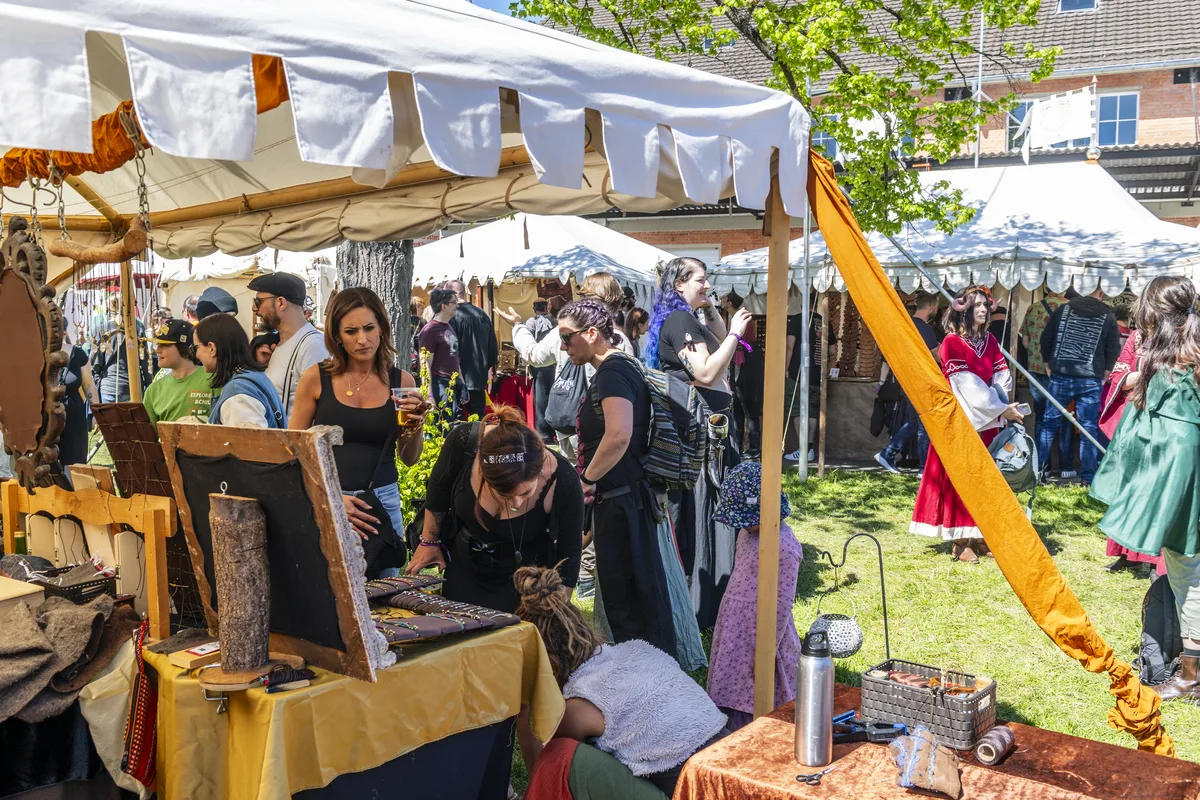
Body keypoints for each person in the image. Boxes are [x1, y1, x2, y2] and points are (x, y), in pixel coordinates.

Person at [516, 566, 727, 800]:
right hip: (732, 768)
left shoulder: (578, 707)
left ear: (550, 667)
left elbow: (544, 768)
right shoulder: (637, 649)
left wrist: (525, 708)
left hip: (697, 792)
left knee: (560, 755)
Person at [1091, 276, 1200, 703]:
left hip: (1179, 465)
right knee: (1185, 567)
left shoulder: (1173, 357)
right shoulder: (1185, 352)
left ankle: (1191, 675)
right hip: (1181, 459)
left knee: (1187, 570)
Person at [556, 297, 676, 654]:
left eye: (566, 337)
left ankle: (649, 674)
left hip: (624, 503)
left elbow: (619, 435)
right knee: (634, 599)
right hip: (623, 500)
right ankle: (647, 669)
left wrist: (586, 480)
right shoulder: (617, 368)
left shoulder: (613, 371)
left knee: (630, 604)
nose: (563, 347)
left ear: (592, 333)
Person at [290, 287, 426, 573]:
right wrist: (330, 498)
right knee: (327, 589)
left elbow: (409, 458)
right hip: (327, 497)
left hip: (381, 502)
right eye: (351, 331)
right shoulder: (316, 378)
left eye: (369, 328)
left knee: (384, 591)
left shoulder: (402, 382)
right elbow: (294, 453)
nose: (362, 340)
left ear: (382, 329)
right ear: (337, 336)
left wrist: (416, 424)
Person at [405, 406, 584, 612]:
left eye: (526, 492)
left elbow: (570, 555)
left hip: (528, 584)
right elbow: (438, 491)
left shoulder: (563, 479)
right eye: (504, 494)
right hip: (465, 568)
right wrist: (429, 541)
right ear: (482, 470)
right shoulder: (464, 443)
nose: (516, 503)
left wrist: (555, 610)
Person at [910, 286, 1024, 563]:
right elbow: (966, 385)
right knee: (963, 479)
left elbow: (1001, 374)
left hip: (989, 418)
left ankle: (982, 534)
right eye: (976, 306)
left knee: (987, 479)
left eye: (985, 305)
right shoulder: (951, 342)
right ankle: (961, 542)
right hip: (961, 420)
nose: (983, 310)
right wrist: (1000, 408)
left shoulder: (990, 340)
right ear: (963, 311)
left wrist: (1000, 403)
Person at [706, 461, 801, 731]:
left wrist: (766, 649)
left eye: (747, 520)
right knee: (731, 682)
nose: (743, 526)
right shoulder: (746, 534)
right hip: (735, 626)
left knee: (757, 686)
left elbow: (782, 603)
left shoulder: (784, 546)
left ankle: (756, 733)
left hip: (761, 628)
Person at [1038, 287, 1122, 486]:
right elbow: (1113, 347)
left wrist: (1048, 362)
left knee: (1048, 424)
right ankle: (1087, 478)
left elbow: (1046, 337)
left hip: (1061, 373)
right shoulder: (1108, 315)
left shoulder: (1064, 309)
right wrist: (1106, 372)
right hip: (1090, 378)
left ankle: (1037, 472)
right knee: (1088, 429)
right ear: (1101, 293)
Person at [1097, 328, 1164, 575]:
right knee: (1126, 487)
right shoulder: (1137, 337)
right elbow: (1119, 378)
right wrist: (1148, 373)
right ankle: (1127, 553)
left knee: (1154, 489)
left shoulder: (1183, 336)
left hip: (1164, 420)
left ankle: (1154, 559)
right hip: (1133, 418)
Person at [875, 292, 941, 473]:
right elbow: (937, 355)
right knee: (924, 424)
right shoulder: (925, 329)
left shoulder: (904, 325)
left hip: (906, 379)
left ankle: (888, 453)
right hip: (921, 379)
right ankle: (923, 469)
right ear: (932, 307)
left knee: (914, 421)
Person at [249, 272, 328, 421]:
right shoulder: (278, 344)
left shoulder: (312, 346)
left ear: (281, 303)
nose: (254, 308)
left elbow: (322, 411)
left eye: (258, 302)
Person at [193, 314, 285, 428]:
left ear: (212, 348)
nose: (196, 355)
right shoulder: (252, 376)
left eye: (196, 348)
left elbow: (248, 439)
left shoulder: (238, 395)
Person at [1020, 289, 1071, 475]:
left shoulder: (1033, 308)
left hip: (1036, 369)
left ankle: (1044, 467)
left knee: (1042, 418)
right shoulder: (1070, 308)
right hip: (1061, 371)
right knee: (1064, 417)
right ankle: (1067, 467)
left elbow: (1025, 342)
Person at [442, 279, 498, 420]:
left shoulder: (450, 316)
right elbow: (492, 348)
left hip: (455, 378)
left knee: (455, 420)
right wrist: (487, 369)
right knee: (477, 419)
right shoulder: (482, 315)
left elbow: (446, 349)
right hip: (477, 377)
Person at [142, 319, 214, 425]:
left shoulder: (214, 380)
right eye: (158, 344)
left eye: (165, 345)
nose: (157, 350)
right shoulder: (153, 390)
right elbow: (147, 433)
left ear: (184, 348)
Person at [725, 292, 763, 459]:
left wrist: (739, 346)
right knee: (737, 408)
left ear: (729, 302)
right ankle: (737, 447)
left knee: (749, 406)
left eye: (724, 298)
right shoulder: (735, 317)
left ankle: (754, 449)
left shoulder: (743, 317)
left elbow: (745, 343)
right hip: (739, 362)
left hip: (747, 364)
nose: (720, 300)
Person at [57, 333, 100, 468]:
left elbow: (89, 385)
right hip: (46, 417)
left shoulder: (78, 354)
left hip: (74, 417)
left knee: (75, 467)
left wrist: (96, 412)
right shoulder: (36, 353)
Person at [418, 288, 462, 417]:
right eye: (454, 302)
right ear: (443, 306)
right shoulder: (430, 330)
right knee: (440, 426)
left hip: (451, 385)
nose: (457, 305)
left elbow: (454, 357)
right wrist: (429, 395)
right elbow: (425, 364)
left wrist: (462, 382)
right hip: (439, 385)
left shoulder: (448, 326)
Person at [526, 299, 557, 443]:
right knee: (550, 395)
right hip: (553, 362)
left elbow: (528, 342)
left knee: (541, 397)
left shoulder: (531, 322)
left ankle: (544, 432)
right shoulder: (555, 322)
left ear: (534, 308)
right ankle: (551, 429)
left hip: (539, 362)